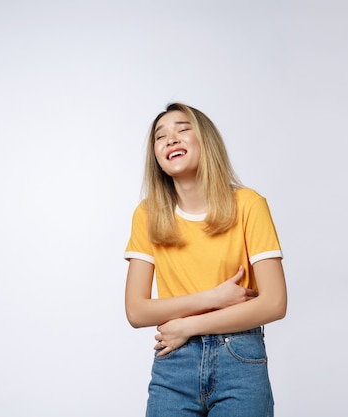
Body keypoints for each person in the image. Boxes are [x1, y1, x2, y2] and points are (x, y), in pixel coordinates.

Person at [124, 103, 287, 417]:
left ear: (206, 141)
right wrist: (215, 297)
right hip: (174, 364)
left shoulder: (249, 205)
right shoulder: (148, 215)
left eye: (183, 129)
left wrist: (189, 325)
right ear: (156, 155)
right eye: (160, 136)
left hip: (239, 360)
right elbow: (136, 310)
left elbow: (274, 303)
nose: (171, 139)